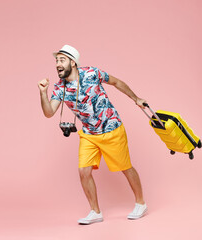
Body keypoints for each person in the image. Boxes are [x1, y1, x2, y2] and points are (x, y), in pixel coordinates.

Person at [38, 45, 148, 225]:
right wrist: (43, 93)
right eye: (56, 61)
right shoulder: (60, 88)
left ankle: (141, 203)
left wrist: (136, 99)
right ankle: (95, 212)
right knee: (83, 171)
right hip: (89, 134)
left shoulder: (91, 73)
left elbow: (116, 82)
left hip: (111, 128)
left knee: (125, 167)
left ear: (73, 63)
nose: (58, 64)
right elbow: (49, 112)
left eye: (62, 60)